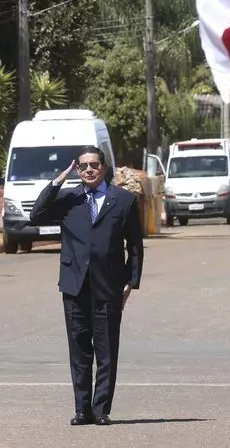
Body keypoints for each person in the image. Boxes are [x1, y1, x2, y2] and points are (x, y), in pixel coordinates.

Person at [29, 146, 143, 426]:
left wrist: (131, 282)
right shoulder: (68, 199)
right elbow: (37, 214)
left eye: (94, 165)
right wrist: (58, 181)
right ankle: (82, 410)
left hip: (109, 286)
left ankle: (101, 409)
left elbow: (136, 246)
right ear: (77, 170)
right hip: (74, 285)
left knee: (106, 352)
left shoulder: (123, 200)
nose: (89, 170)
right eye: (83, 166)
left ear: (104, 167)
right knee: (79, 352)